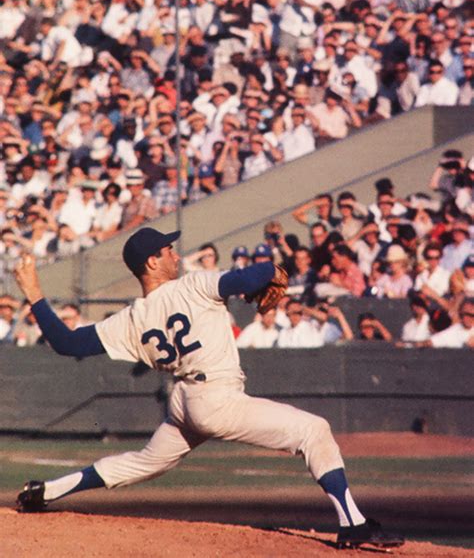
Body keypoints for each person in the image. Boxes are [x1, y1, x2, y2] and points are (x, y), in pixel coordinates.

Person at [13, 230, 402, 550]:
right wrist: (271, 270)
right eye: (167, 250)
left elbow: (66, 342)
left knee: (144, 463)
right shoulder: (192, 286)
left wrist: (34, 292)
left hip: (183, 401)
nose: (175, 255)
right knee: (314, 430)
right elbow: (254, 275)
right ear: (151, 263)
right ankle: (353, 523)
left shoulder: (130, 318)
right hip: (217, 398)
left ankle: (47, 490)